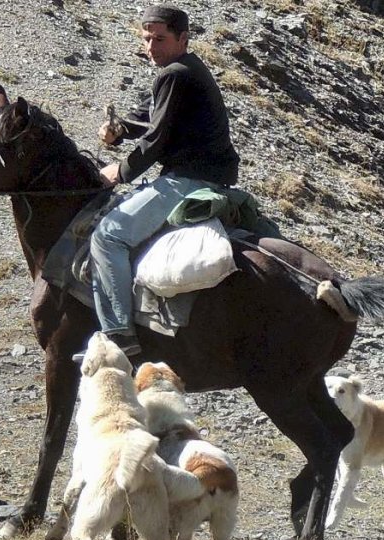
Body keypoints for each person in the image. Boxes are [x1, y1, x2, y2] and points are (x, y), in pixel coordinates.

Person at [86, 4, 240, 358]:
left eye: (160, 39)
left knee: (108, 236)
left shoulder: (175, 73)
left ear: (183, 38)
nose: (151, 46)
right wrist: (120, 129)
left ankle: (118, 338)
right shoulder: (183, 70)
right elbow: (151, 115)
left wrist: (119, 171)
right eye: (146, 38)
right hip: (197, 175)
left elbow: (155, 141)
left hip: (189, 179)